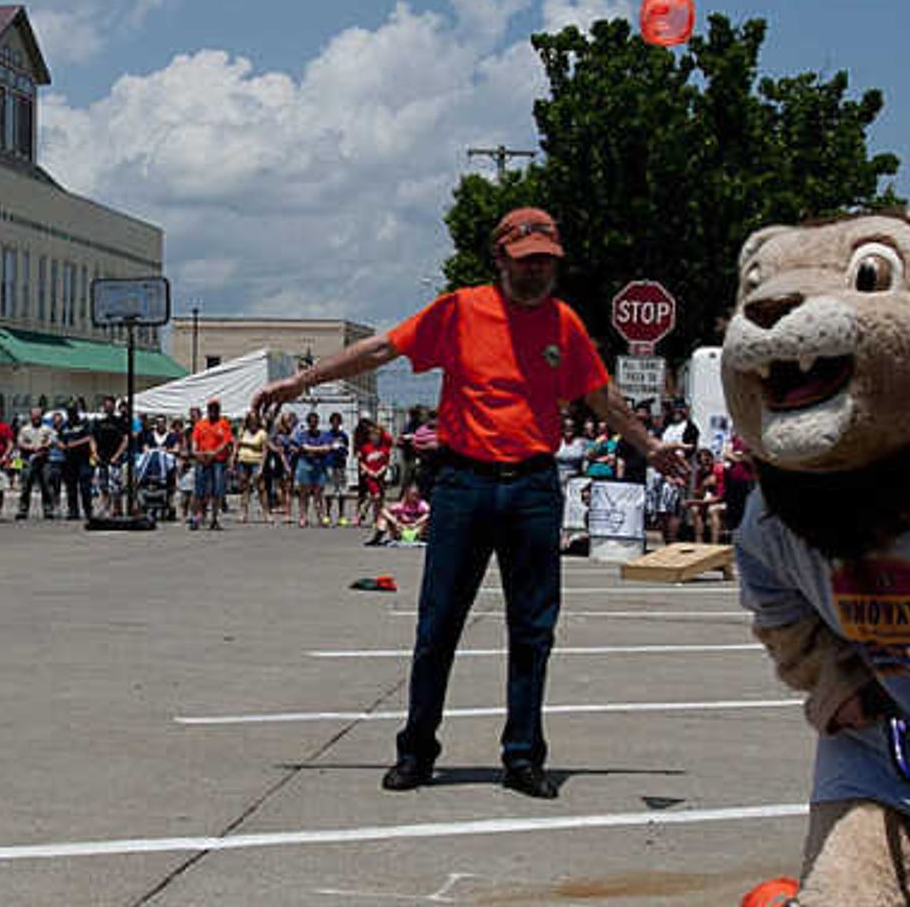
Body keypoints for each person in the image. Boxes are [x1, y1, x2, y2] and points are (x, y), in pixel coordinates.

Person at [253, 206, 669, 797]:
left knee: (533, 630)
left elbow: (602, 398)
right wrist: (301, 383)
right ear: (499, 259)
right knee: (438, 625)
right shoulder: (459, 310)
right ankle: (417, 751)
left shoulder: (564, 325)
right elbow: (378, 351)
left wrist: (651, 447)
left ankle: (523, 757)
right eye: (526, 262)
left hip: (531, 486)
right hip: (463, 484)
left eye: (547, 261)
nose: (537, 272)